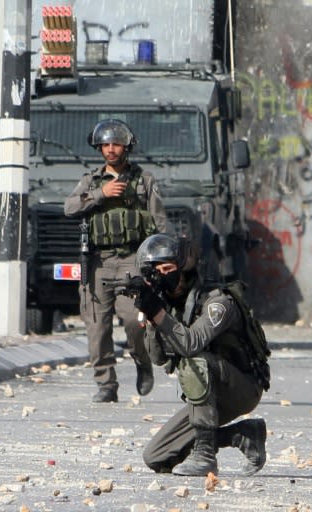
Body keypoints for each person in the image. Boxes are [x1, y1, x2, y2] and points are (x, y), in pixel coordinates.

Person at [134, 234, 270, 477]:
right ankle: (244, 434)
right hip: (207, 396)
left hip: (241, 388)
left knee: (194, 360)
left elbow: (191, 344)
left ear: (185, 269)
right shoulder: (170, 306)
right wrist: (154, 317)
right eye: (156, 272)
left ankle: (205, 454)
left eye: (168, 269)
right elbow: (159, 359)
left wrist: (157, 312)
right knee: (156, 456)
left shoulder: (217, 301)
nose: (163, 276)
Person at [64, 119, 172, 403]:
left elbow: (160, 222)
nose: (111, 149)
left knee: (134, 323)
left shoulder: (144, 180)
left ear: (127, 147)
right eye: (106, 145)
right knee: (97, 327)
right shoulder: (90, 181)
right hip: (98, 264)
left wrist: (163, 261)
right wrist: (101, 194)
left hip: (131, 263)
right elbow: (70, 207)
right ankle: (106, 384)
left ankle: (142, 361)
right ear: (99, 147)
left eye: (116, 144)